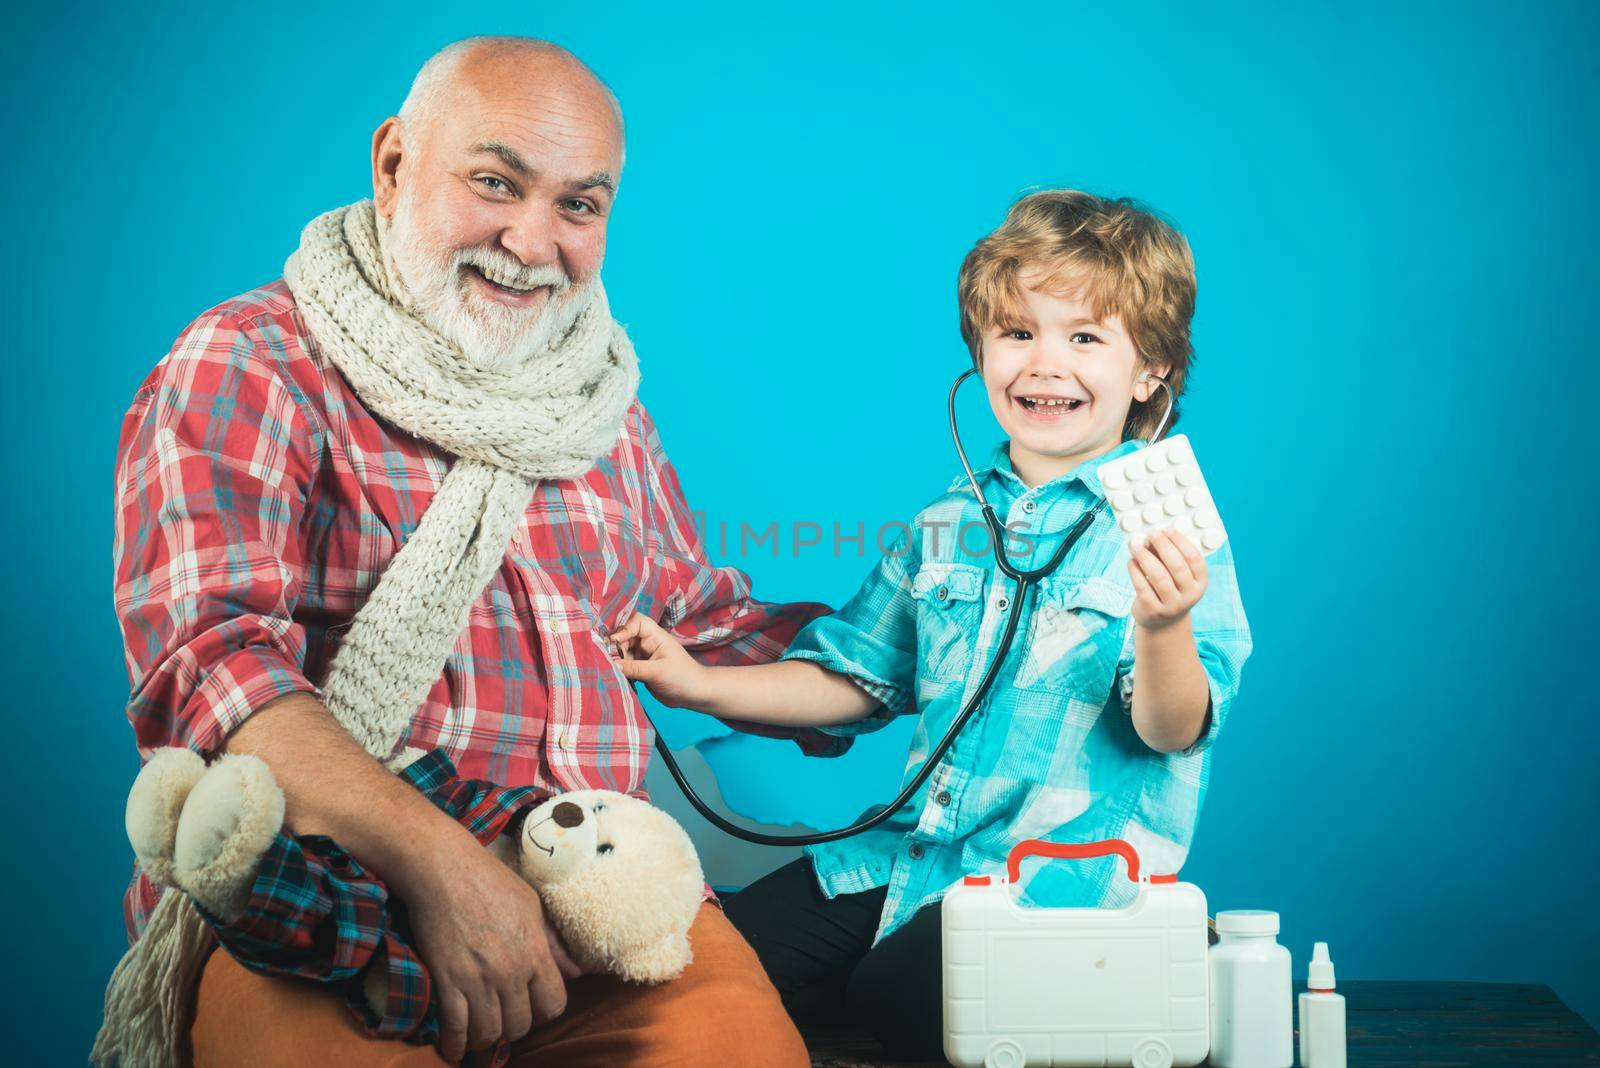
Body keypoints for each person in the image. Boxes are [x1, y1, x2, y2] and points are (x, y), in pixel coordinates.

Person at [104, 35, 822, 1068]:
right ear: (393, 162)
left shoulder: (599, 406)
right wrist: (443, 865)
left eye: (579, 204)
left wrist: (943, 629)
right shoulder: (251, 359)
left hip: (599, 888)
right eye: (495, 182)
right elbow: (208, 673)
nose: (533, 243)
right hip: (328, 901)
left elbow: (701, 621)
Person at [610, 189, 1254, 1058]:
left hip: (1057, 890)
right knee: (696, 974)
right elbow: (855, 676)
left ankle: (1122, 1007)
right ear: (980, 353)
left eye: (1086, 337)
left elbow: (1172, 730)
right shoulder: (948, 521)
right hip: (907, 858)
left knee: (888, 1005)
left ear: (1151, 374)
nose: (1045, 362)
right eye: (1018, 333)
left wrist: (1166, 624)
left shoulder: (1170, 532)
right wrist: (693, 680)